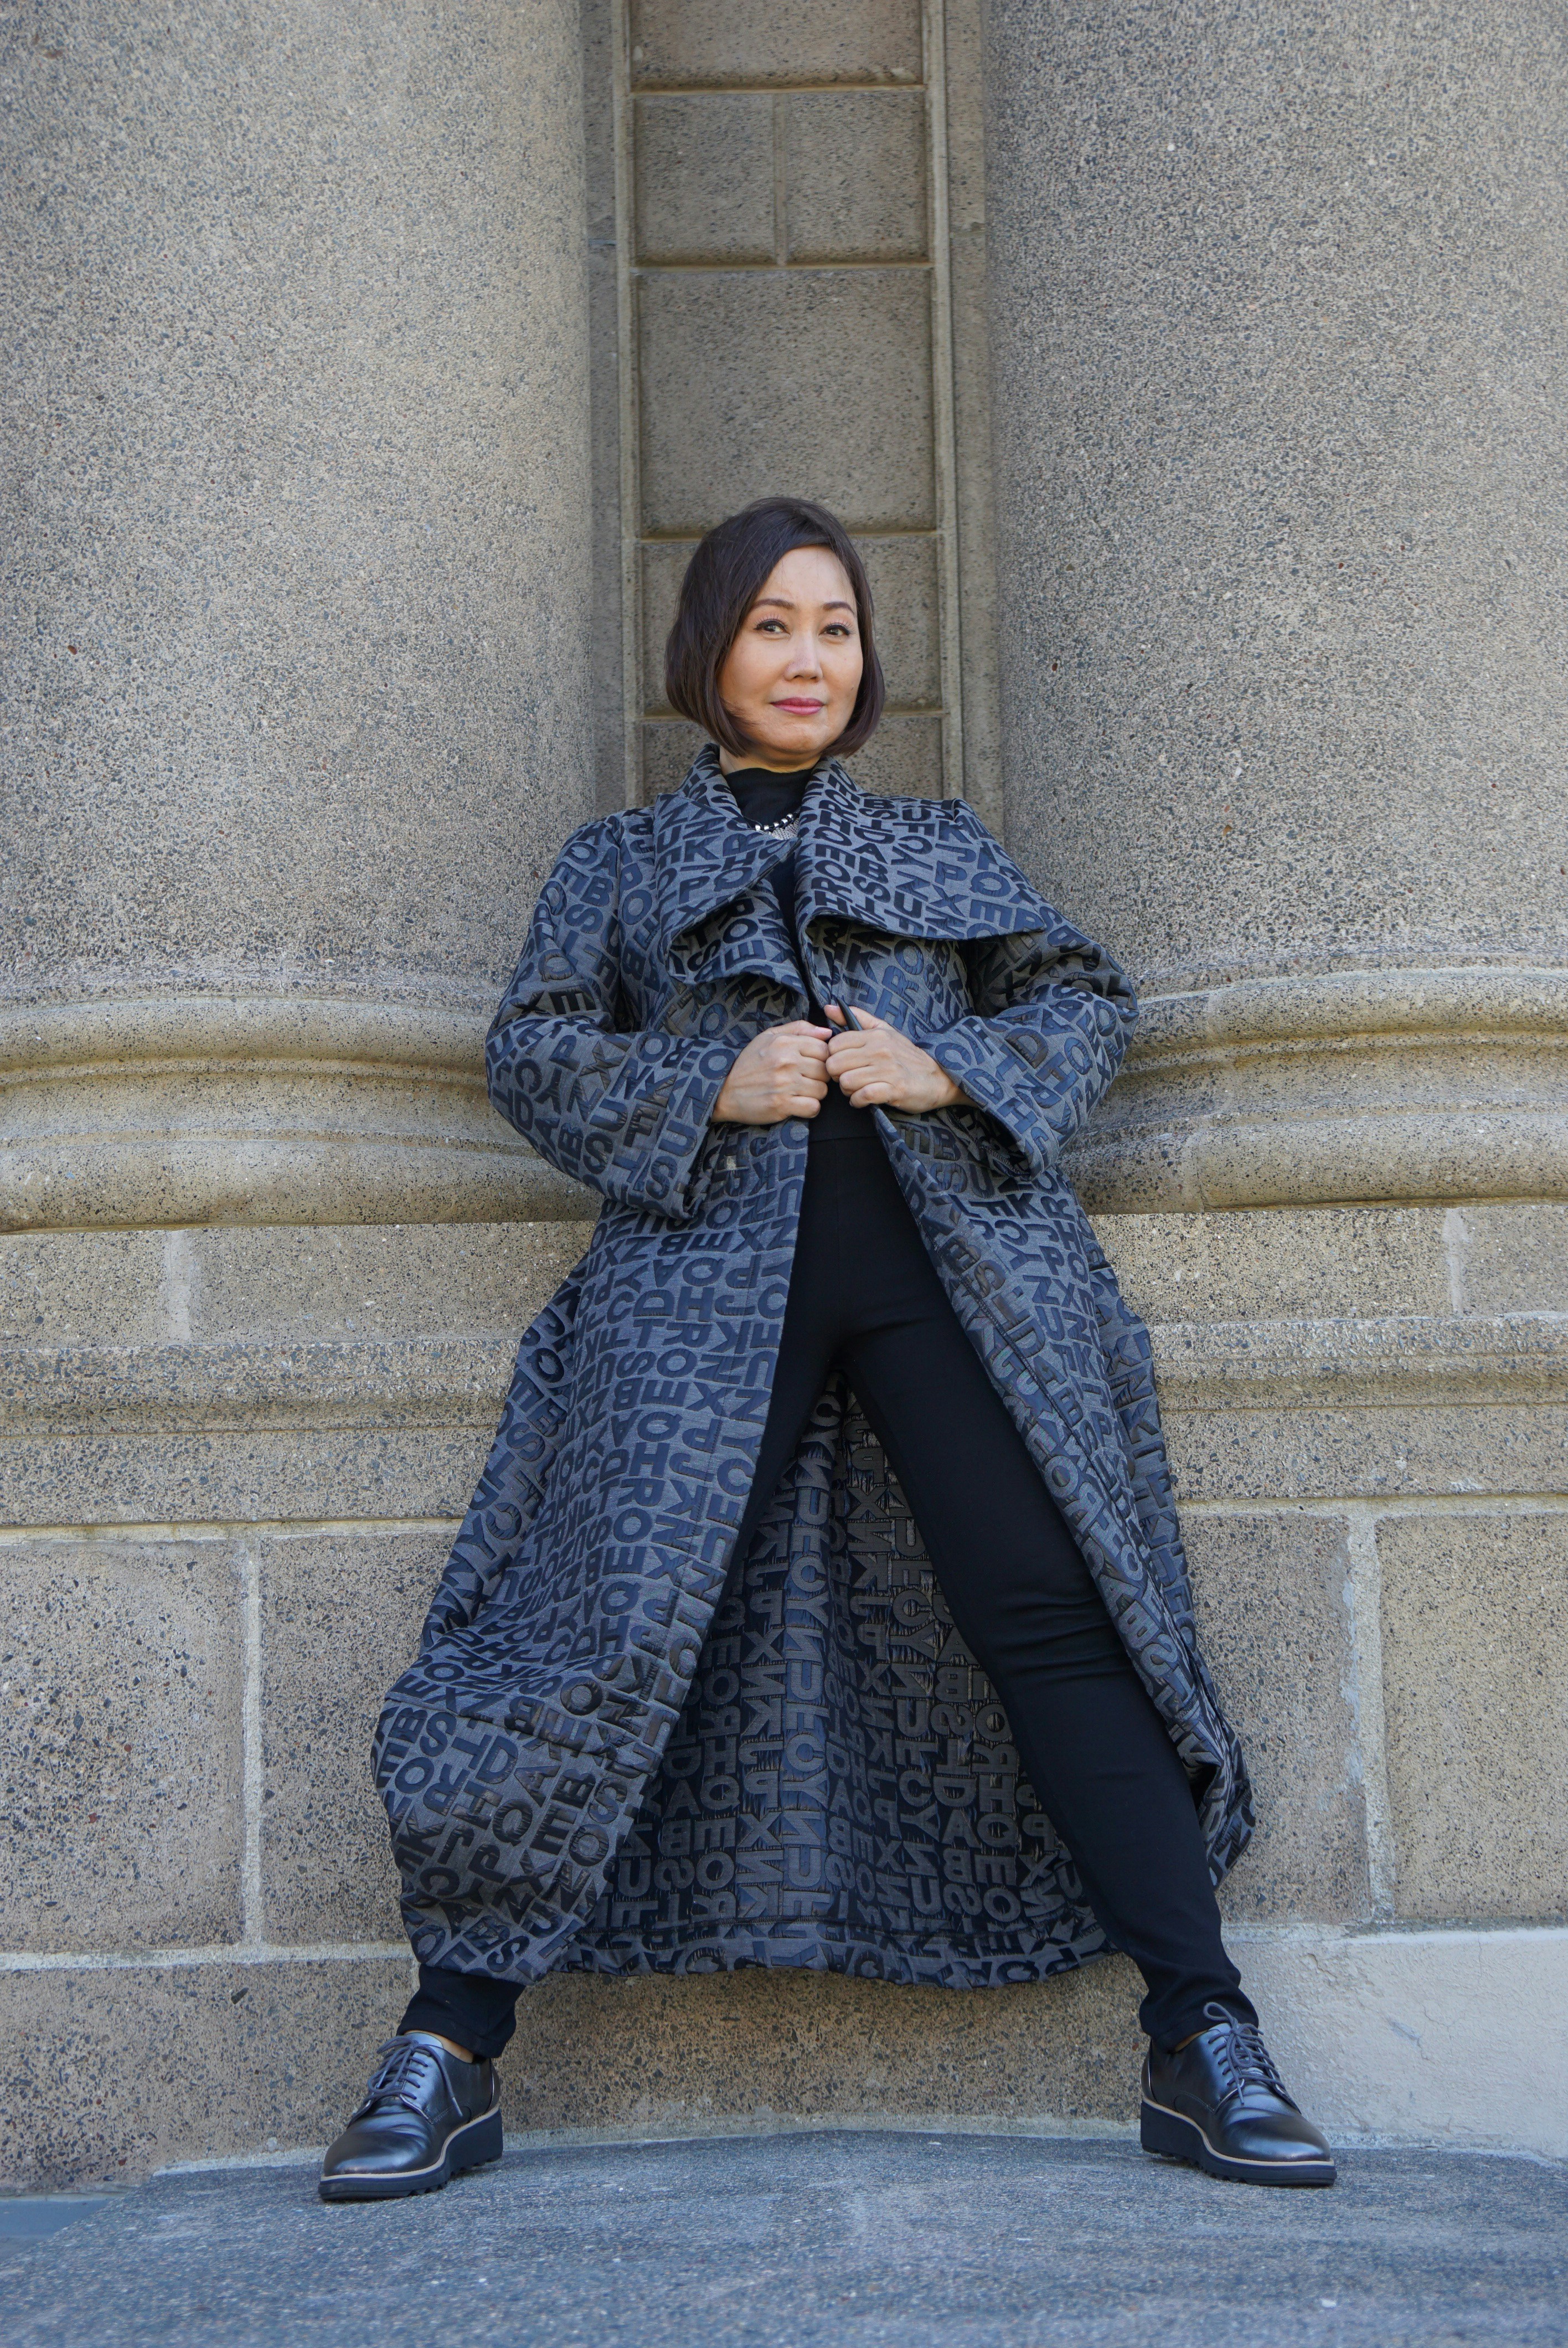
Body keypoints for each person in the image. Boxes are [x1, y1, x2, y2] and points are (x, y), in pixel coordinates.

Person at [319, 497, 1335, 2201]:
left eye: (838, 629)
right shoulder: (620, 865)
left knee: (1054, 1618)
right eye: (775, 625)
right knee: (604, 1625)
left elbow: (1084, 996)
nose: (809, 660)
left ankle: (1203, 2034)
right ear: (709, 649)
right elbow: (533, 1051)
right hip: (699, 1282)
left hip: (964, 1280)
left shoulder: (941, 842)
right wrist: (707, 1082)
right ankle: (448, 2044)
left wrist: (944, 1070)